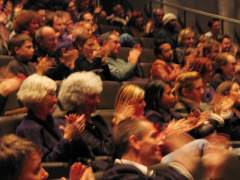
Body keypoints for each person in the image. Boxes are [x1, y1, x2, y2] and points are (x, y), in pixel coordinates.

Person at [16, 74, 91, 162]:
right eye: (50, 95)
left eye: (55, 95)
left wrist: (77, 138)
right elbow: (46, 164)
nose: (55, 100)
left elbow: (88, 156)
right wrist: (67, 137)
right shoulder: (28, 129)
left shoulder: (59, 122)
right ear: (35, 97)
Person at [103, 118, 189, 180]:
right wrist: (183, 156)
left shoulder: (157, 172)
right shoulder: (118, 175)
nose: (161, 142)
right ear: (135, 142)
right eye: (154, 136)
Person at [58, 71, 114, 157]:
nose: (98, 101)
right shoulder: (73, 125)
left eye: (98, 96)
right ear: (77, 99)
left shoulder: (98, 120)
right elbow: (106, 151)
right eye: (92, 97)